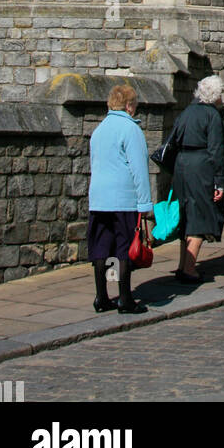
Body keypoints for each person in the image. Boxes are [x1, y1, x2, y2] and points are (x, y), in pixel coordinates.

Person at [87, 82, 153, 315]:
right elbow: (139, 169)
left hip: (99, 199)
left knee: (101, 246)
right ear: (128, 106)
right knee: (123, 247)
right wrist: (145, 203)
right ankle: (125, 298)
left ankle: (101, 296)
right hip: (122, 199)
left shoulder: (99, 130)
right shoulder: (130, 129)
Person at [170, 75, 224, 283]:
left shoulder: (187, 111)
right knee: (200, 216)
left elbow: (174, 139)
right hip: (201, 167)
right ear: (215, 95)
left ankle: (182, 265)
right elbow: (216, 150)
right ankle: (189, 269)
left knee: (185, 216)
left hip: (181, 165)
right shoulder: (212, 115)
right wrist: (219, 181)